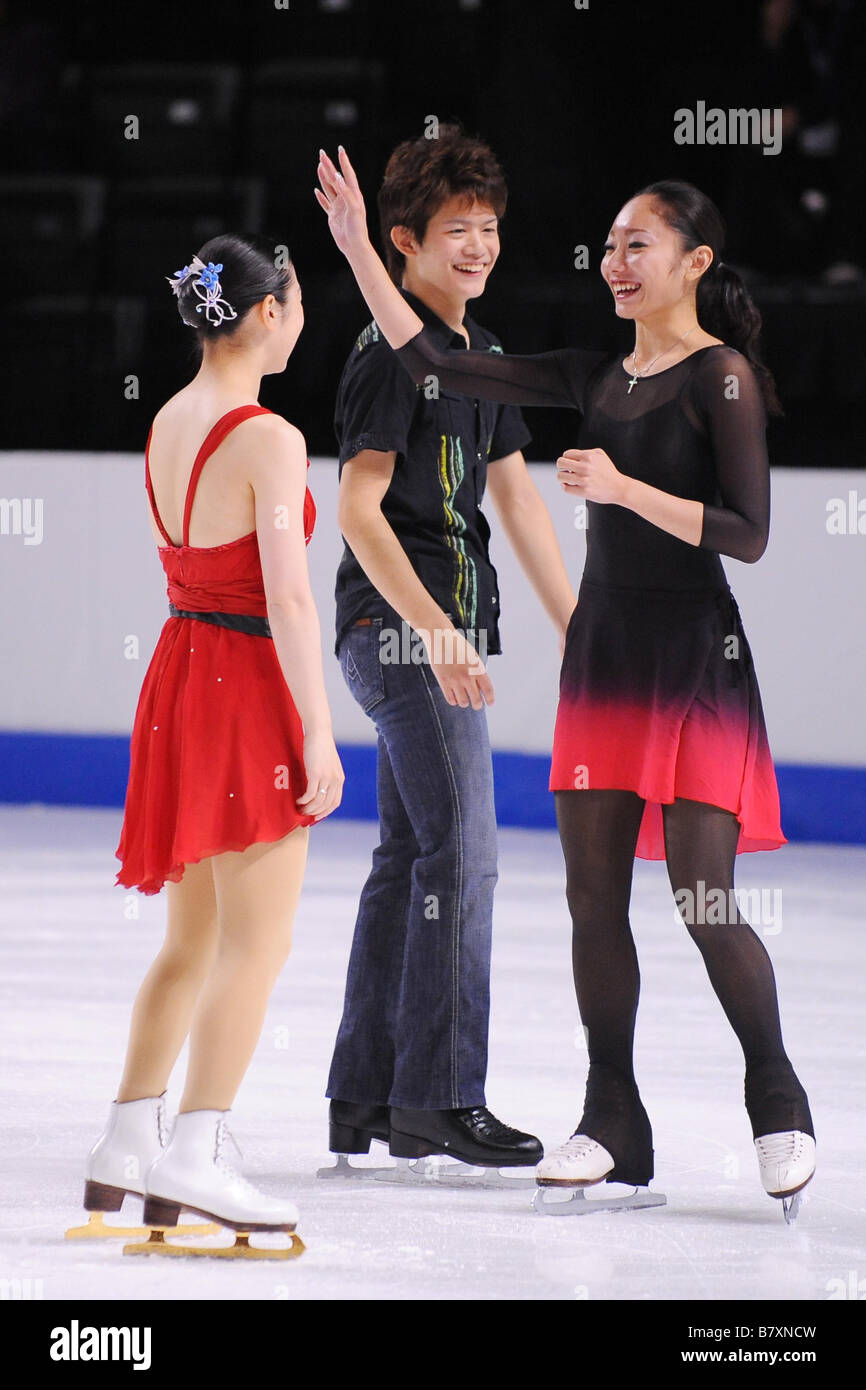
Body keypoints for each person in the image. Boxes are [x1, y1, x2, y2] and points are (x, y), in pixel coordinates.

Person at [315, 148, 815, 1214]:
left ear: (693, 261)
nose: (615, 261)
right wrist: (358, 251)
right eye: (611, 246)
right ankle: (610, 1119)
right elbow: (433, 367)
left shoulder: (717, 373)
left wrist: (624, 488)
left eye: (639, 244)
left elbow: (749, 533)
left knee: (701, 892)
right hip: (602, 669)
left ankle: (774, 1096)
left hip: (695, 666)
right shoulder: (592, 373)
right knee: (591, 900)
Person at [77, 236, 344, 1249]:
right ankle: (195, 1153)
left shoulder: (167, 420)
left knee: (190, 940)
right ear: (266, 312)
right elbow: (284, 593)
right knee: (256, 941)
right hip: (241, 691)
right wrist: (317, 730)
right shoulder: (265, 435)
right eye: (297, 306)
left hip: (181, 677)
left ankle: (125, 1141)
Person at [324, 127, 575, 1172]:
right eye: (454, 232)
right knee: (463, 855)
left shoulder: (474, 350)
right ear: (402, 243)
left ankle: (366, 1095)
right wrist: (432, 632)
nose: (476, 247)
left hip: (428, 632)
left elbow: (515, 496)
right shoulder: (392, 354)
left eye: (488, 229)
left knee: (410, 858)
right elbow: (355, 506)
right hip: (399, 631)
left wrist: (579, 629)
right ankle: (438, 1095)